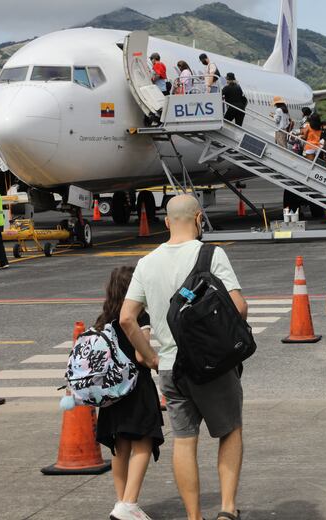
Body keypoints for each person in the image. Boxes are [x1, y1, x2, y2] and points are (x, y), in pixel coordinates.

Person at [120, 194, 247, 520]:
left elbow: (126, 318)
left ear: (166, 222)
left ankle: (194, 516)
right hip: (211, 365)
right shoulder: (210, 254)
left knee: (184, 440)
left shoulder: (146, 262)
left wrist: (149, 356)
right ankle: (227, 510)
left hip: (170, 368)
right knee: (230, 431)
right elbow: (239, 307)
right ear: (198, 219)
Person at [95, 266, 164, 520]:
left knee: (120, 448)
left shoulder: (103, 319)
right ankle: (130, 504)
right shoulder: (138, 317)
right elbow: (140, 354)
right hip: (137, 388)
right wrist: (158, 361)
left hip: (112, 393)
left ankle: (121, 502)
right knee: (143, 444)